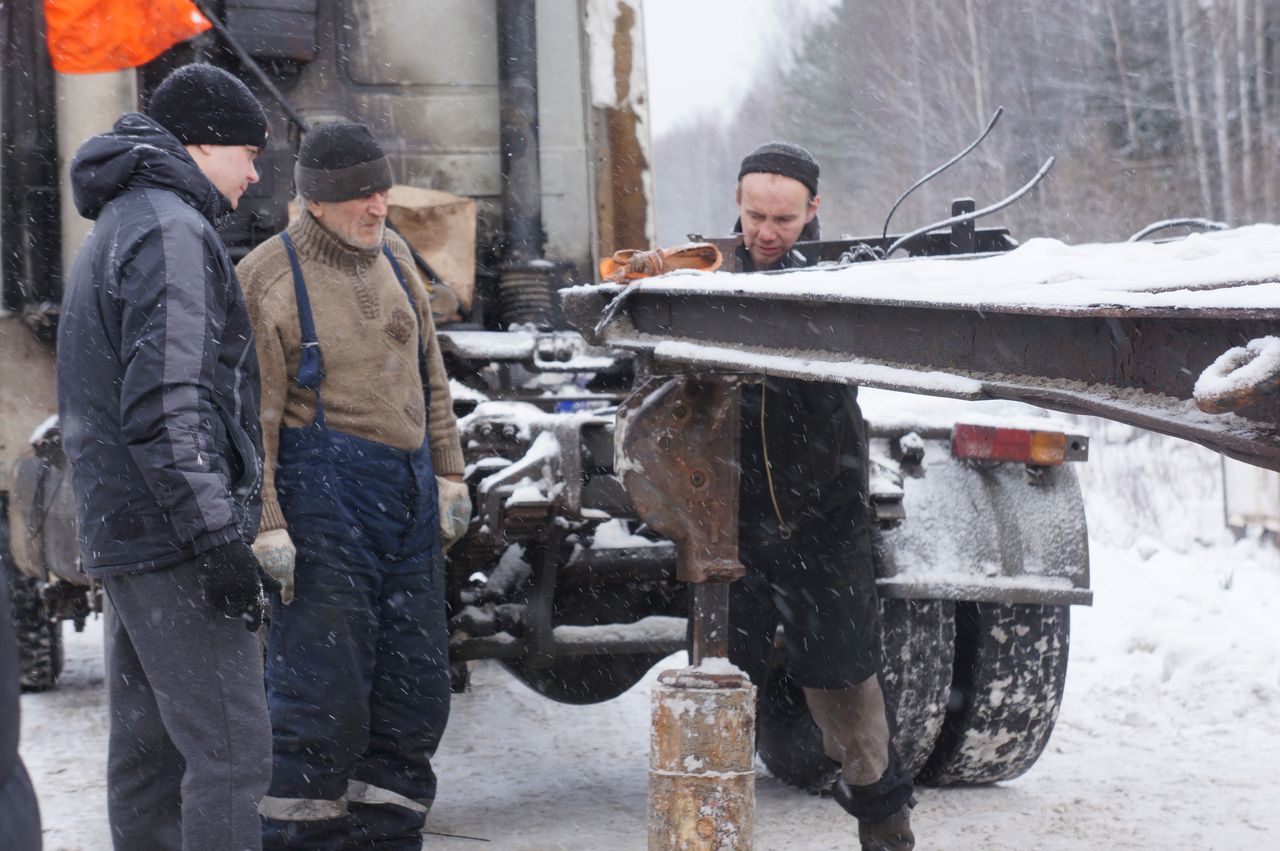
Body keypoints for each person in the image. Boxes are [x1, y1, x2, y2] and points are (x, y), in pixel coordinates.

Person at [56, 63, 275, 849]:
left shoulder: (124, 221)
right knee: (231, 755)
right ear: (203, 143)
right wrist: (215, 534)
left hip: (130, 532)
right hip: (173, 538)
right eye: (248, 152)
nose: (254, 173)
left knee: (148, 758)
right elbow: (167, 401)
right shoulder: (171, 229)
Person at [238, 122, 470, 850]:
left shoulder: (397, 254)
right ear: (314, 201)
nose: (378, 208)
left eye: (383, 192)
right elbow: (256, 424)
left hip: (406, 504)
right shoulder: (267, 280)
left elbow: (430, 376)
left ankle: (388, 837)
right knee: (322, 704)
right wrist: (267, 520)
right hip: (322, 513)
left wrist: (450, 470)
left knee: (414, 695)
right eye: (361, 197)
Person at [726, 142, 916, 850]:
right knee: (714, 700)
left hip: (822, 525)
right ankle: (705, 830)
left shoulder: (840, 285)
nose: (767, 232)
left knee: (849, 698)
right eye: (754, 216)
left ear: (813, 211)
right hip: (729, 533)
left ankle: (887, 830)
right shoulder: (699, 286)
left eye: (782, 217)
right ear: (736, 207)